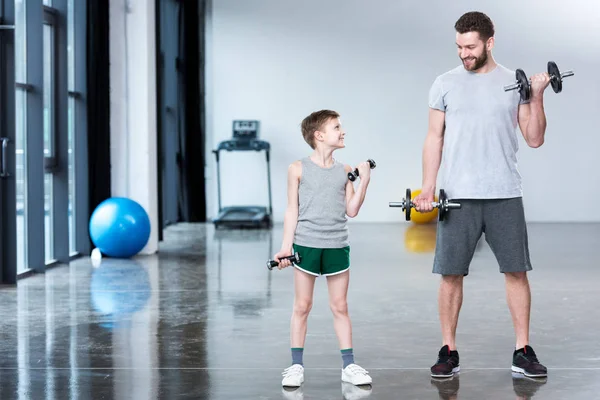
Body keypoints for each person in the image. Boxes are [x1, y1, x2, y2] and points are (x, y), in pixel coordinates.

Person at [413, 11, 549, 379]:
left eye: (470, 46)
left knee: (517, 272)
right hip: (457, 195)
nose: (464, 53)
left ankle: (522, 351)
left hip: (505, 192)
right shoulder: (444, 83)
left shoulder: (513, 82)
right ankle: (448, 350)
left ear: (489, 42)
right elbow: (433, 138)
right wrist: (428, 187)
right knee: (450, 273)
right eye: (459, 46)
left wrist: (536, 95)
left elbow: (534, 138)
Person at [273, 109, 373, 388]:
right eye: (336, 127)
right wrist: (285, 247)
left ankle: (349, 365)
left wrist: (364, 181)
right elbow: (292, 209)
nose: (342, 132)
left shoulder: (345, 172)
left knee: (340, 306)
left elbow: (351, 210)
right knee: (302, 306)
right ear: (319, 135)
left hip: (336, 245)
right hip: (306, 245)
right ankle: (295, 366)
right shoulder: (298, 168)